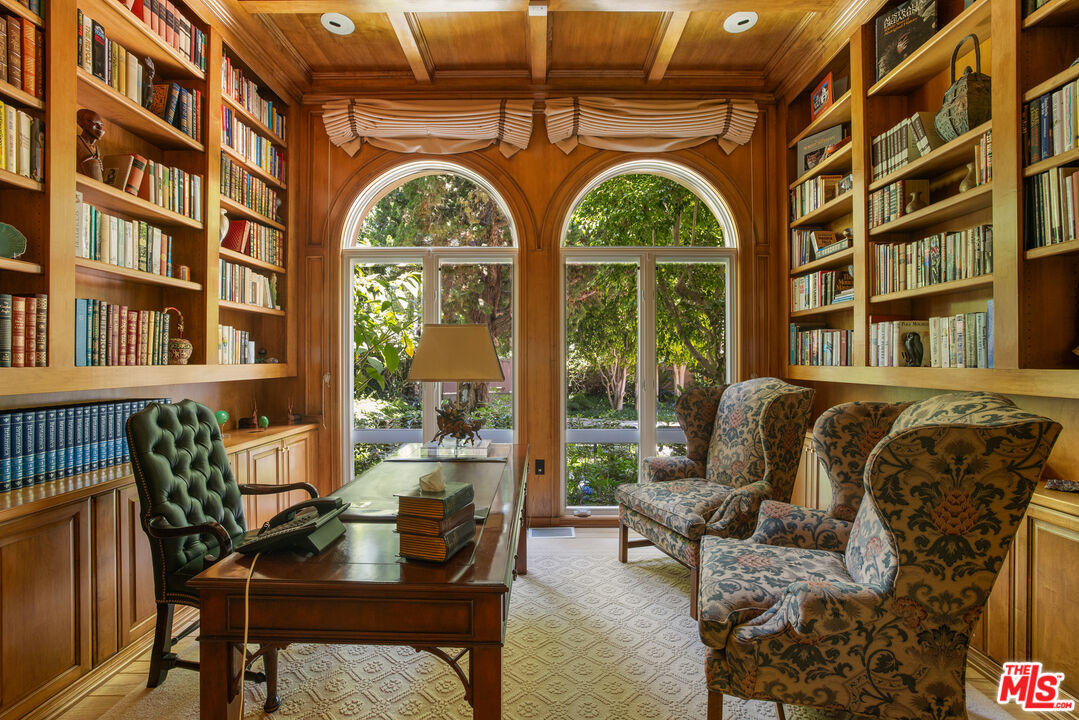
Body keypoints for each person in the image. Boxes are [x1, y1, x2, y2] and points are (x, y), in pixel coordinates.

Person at [76, 109, 105, 181]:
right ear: (82, 123)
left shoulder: (97, 149)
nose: (100, 128)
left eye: (101, 124)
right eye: (95, 123)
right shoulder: (77, 141)